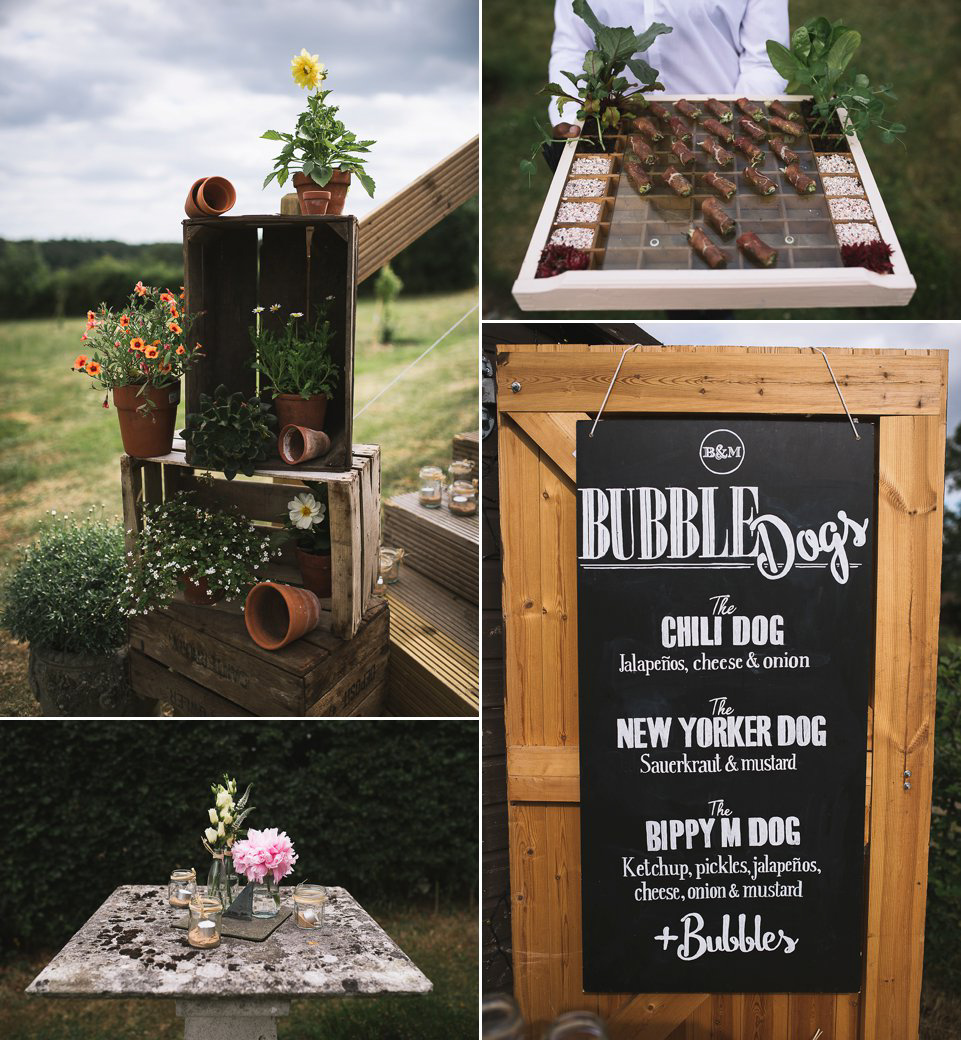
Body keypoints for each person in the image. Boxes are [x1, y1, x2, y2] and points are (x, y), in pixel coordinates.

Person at [549, 0, 789, 139]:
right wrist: (573, 117)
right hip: (616, 132)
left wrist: (739, 128)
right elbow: (573, 47)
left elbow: (764, 62)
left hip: (720, 128)